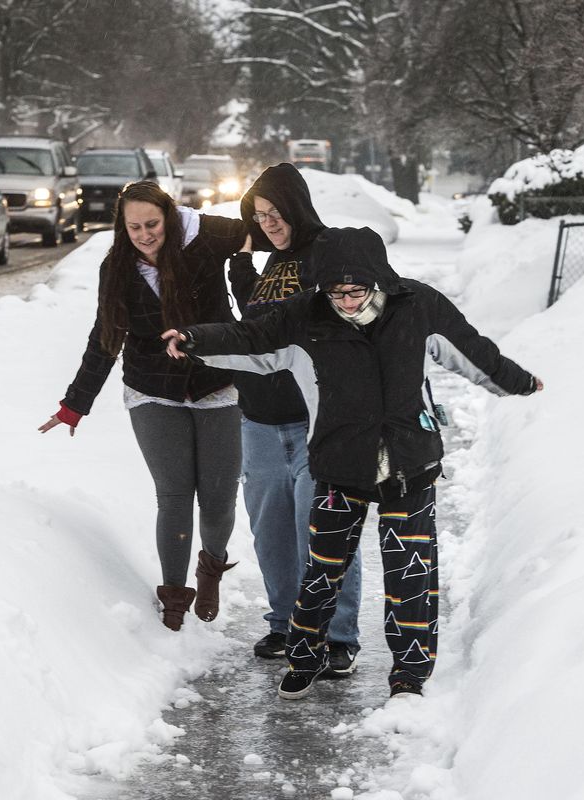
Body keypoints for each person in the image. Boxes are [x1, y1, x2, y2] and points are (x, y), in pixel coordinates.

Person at [162, 226, 543, 698]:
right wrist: (195, 339)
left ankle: (409, 671)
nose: (344, 301)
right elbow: (249, 336)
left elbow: (473, 350)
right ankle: (306, 658)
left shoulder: (419, 307)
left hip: (409, 462)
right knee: (323, 570)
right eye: (334, 291)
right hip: (340, 462)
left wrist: (519, 381)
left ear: (379, 280)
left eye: (354, 290)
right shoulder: (305, 317)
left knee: (410, 570)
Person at [39, 180, 248, 632]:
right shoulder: (117, 267)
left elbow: (265, 232)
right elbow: (105, 338)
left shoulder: (205, 237)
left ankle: (210, 568)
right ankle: (174, 597)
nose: (144, 234)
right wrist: (75, 404)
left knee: (217, 498)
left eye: (152, 223)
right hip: (153, 389)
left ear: (169, 218)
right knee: (174, 494)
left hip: (217, 383)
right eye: (134, 226)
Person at [229, 164, 363, 673]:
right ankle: (285, 622)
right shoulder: (269, 264)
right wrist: (244, 271)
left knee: (325, 530)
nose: (268, 224)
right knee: (272, 532)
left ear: (296, 205)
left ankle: (337, 634)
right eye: (259, 216)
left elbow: (297, 323)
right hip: (259, 417)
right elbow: (261, 331)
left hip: (316, 420)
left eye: (275, 212)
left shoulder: (328, 253)